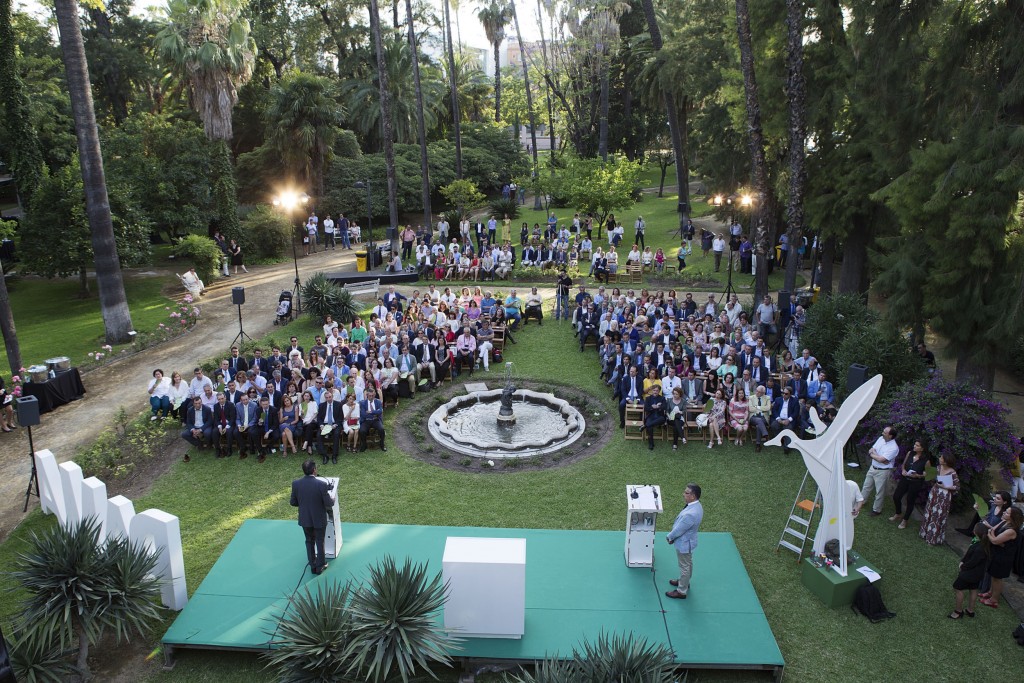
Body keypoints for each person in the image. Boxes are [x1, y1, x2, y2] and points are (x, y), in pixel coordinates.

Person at [290, 459, 335, 575]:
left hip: (305, 519)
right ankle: (320, 566)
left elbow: (293, 502)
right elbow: (329, 503)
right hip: (319, 519)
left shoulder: (296, 484)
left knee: (309, 541)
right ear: (314, 470)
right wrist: (332, 499)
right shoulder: (321, 484)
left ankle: (313, 566)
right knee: (320, 541)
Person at [979, 507, 1023, 608]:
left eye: (1007, 513)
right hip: (997, 553)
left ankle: (994, 600)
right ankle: (990, 593)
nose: (1004, 512)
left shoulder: (1011, 531)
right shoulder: (1004, 522)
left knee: (997, 578)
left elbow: (994, 540)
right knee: (993, 575)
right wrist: (994, 536)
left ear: (1012, 517)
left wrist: (992, 536)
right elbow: (993, 530)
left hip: (1003, 558)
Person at [665, 483, 703, 600]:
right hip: (689, 541)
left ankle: (681, 591)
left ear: (693, 496)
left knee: (684, 566)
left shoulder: (690, 514)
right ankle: (684, 582)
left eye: (686, 493)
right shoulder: (697, 506)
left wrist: (670, 537)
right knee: (688, 563)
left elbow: (679, 529)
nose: (684, 494)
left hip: (684, 543)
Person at [949, 523, 991, 619]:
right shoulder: (984, 544)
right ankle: (970, 610)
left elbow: (972, 562)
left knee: (957, 588)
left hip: (970, 574)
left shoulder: (979, 548)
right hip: (978, 574)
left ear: (975, 532)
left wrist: (963, 566)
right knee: (973, 589)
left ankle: (958, 611)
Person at [919, 453, 959, 545]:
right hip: (934, 492)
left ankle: (933, 538)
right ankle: (924, 533)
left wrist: (946, 486)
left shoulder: (952, 472)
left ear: (946, 461)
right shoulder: (938, 468)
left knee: (937, 515)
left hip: (944, 496)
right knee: (929, 512)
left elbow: (957, 487)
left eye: (941, 457)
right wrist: (928, 475)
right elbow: (933, 479)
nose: (939, 458)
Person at [859, 426, 899, 515]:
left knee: (879, 491)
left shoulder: (894, 447)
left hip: (883, 471)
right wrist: (878, 457)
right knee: (866, 486)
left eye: (885, 432)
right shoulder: (881, 438)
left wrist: (874, 455)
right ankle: (861, 502)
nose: (882, 433)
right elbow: (872, 450)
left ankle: (876, 510)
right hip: (873, 467)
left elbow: (881, 459)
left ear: (890, 436)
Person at [889, 439, 929, 529]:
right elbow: (903, 464)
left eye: (917, 445)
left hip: (915, 483)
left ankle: (905, 520)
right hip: (905, 478)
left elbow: (928, 475)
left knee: (910, 501)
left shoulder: (926, 461)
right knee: (896, 496)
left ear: (922, 448)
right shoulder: (910, 453)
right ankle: (898, 513)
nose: (914, 446)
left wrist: (918, 475)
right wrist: (903, 470)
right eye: (915, 444)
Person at [317, 389, 342, 464]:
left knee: (336, 434)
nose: (329, 399)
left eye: (330, 397)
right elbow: (319, 418)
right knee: (319, 435)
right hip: (324, 424)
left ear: (332, 396)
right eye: (327, 397)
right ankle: (325, 455)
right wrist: (321, 425)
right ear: (325, 398)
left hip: (335, 424)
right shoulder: (322, 405)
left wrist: (335, 425)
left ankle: (334, 455)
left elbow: (340, 418)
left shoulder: (338, 404)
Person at [358, 386, 386, 452]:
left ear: (374, 395)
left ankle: (382, 444)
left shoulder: (378, 402)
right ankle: (364, 445)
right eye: (369, 395)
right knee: (362, 431)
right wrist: (374, 414)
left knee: (382, 429)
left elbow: (380, 411)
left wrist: (371, 412)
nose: (371, 397)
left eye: (372, 395)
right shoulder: (362, 403)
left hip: (376, 420)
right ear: (367, 395)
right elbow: (363, 414)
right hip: (366, 420)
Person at [643, 384, 668, 451]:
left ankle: (645, 425)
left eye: (657, 390)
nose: (655, 392)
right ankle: (651, 444)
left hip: (659, 417)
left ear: (659, 391)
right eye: (654, 390)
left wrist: (658, 407)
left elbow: (665, 407)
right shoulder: (648, 398)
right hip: (651, 416)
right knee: (649, 426)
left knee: (662, 419)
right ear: (652, 390)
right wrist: (652, 407)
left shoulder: (662, 398)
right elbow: (646, 408)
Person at [211, 391, 236, 458]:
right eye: (219, 399)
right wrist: (219, 426)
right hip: (221, 424)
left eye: (222, 398)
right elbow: (216, 418)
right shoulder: (216, 406)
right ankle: (218, 450)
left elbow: (233, 418)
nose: (221, 400)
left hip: (229, 423)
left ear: (225, 397)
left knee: (229, 432)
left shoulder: (231, 404)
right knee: (214, 432)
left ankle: (229, 449)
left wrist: (227, 427)